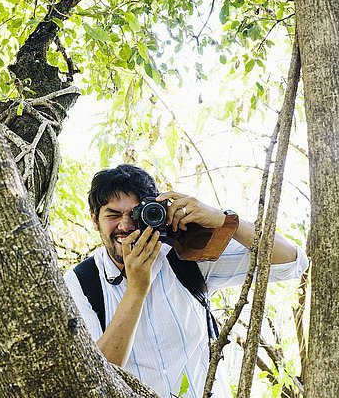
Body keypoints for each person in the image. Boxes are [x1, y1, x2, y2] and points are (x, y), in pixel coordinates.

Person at [63, 164, 308, 398]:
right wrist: (136, 290)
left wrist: (224, 221)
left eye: (137, 214)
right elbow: (95, 377)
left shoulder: (185, 254)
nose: (125, 226)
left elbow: (291, 262)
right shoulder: (81, 283)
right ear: (94, 219)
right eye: (113, 215)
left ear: (157, 213)